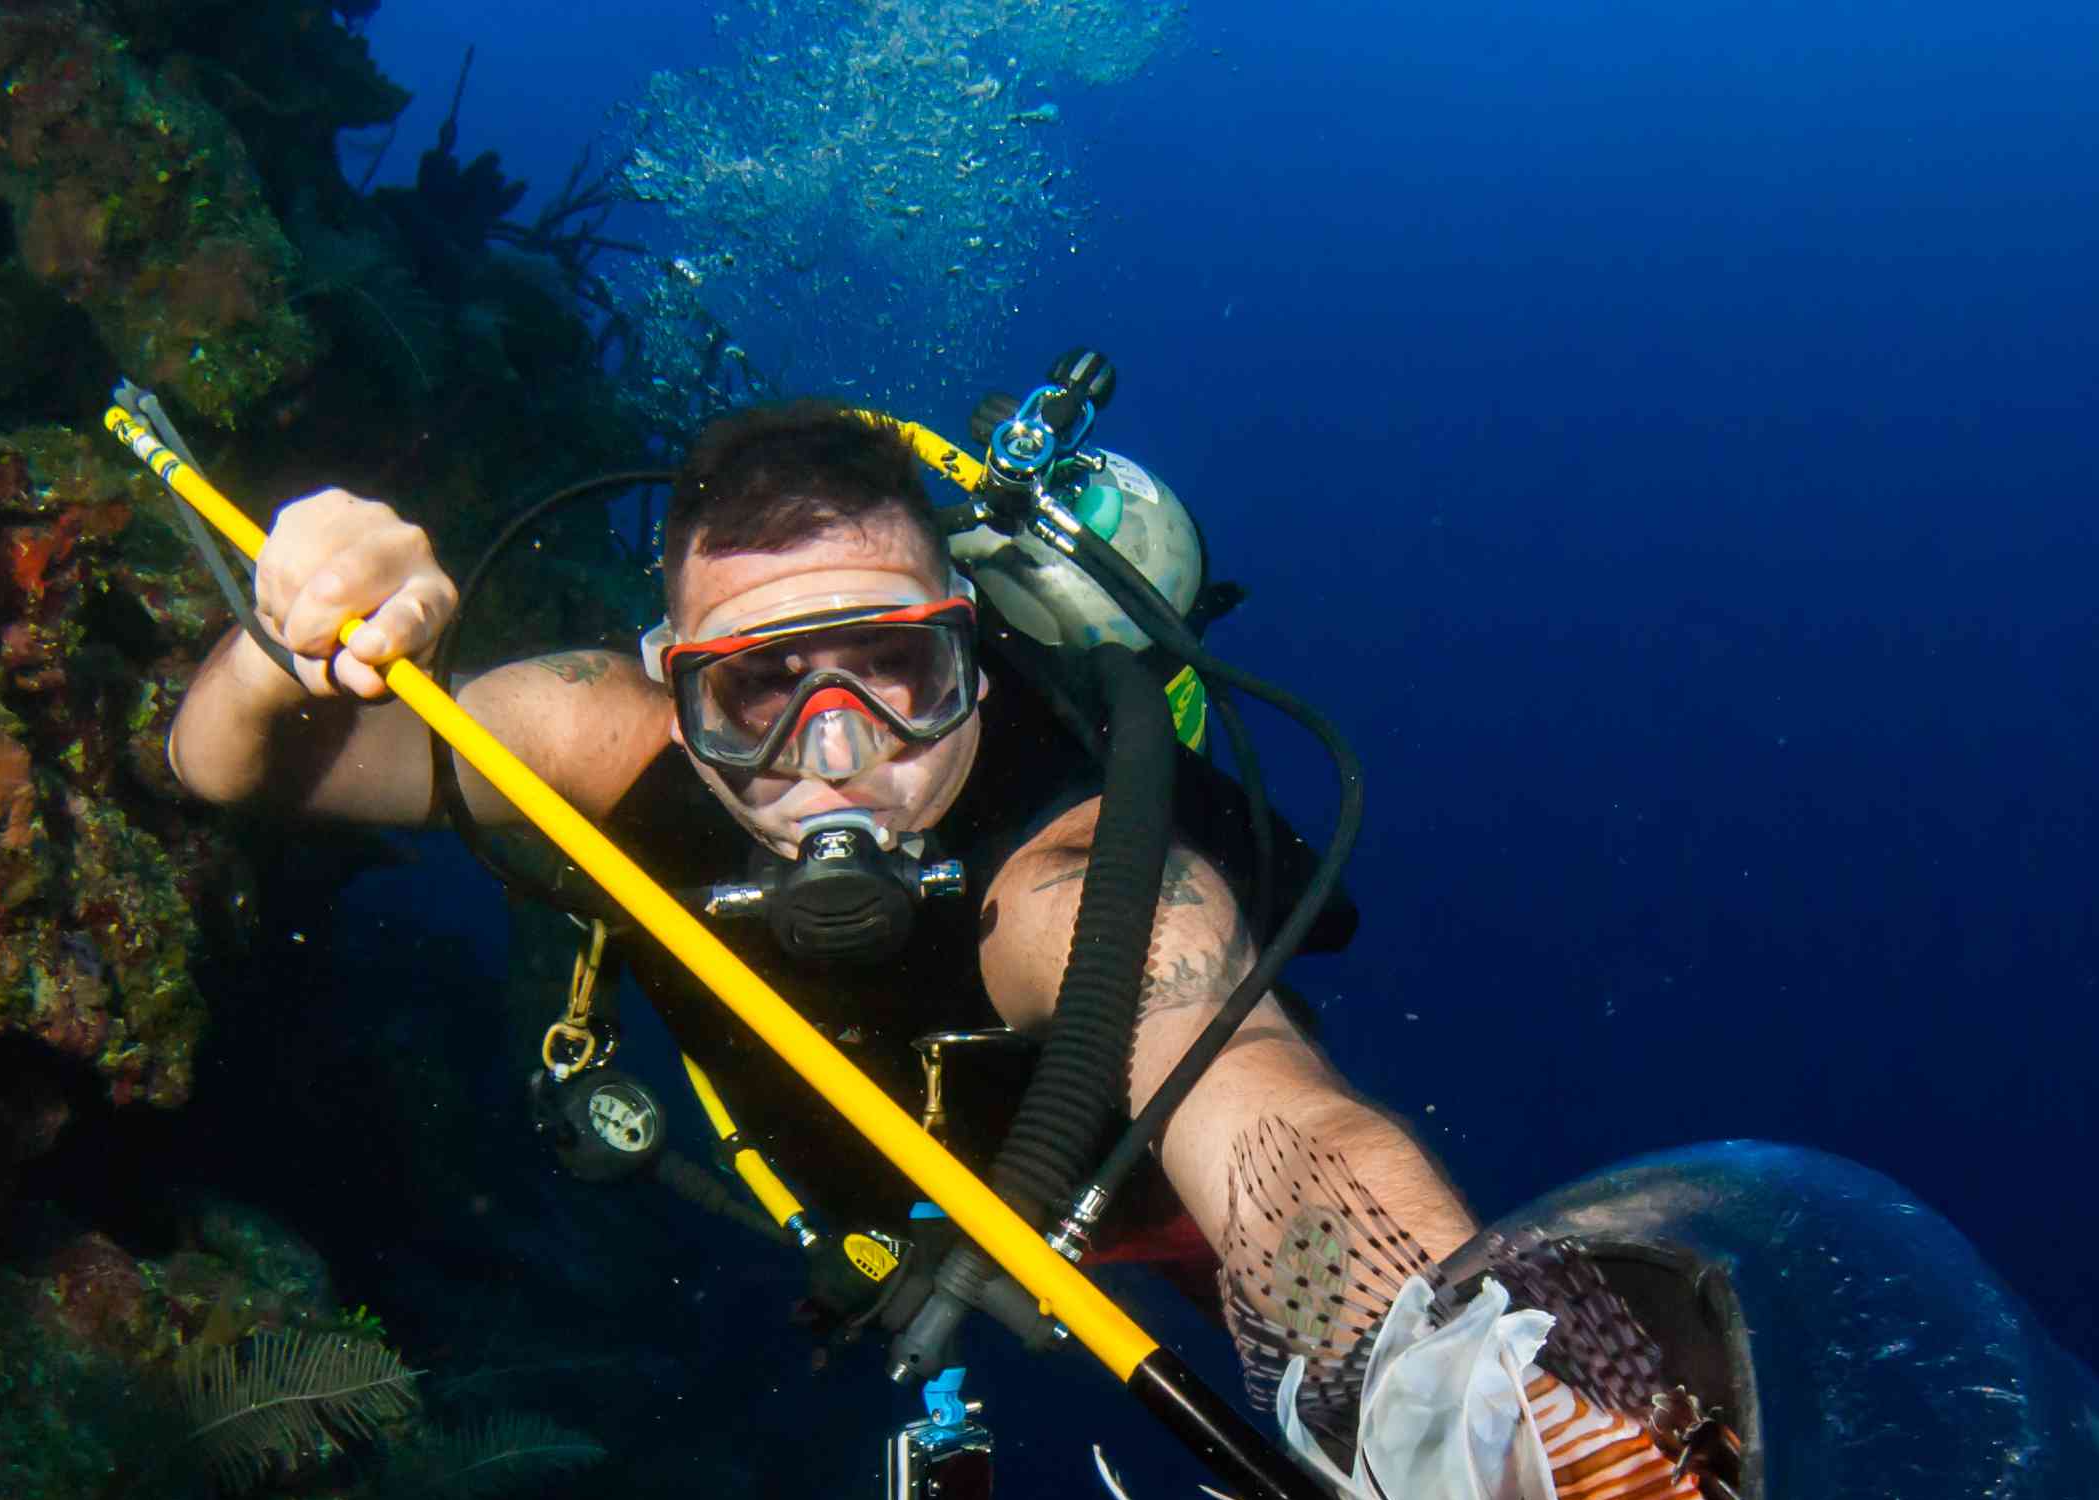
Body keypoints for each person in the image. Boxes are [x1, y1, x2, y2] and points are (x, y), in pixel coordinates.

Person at [164, 401, 1472, 1388]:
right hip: (888, 1238)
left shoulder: (1087, 880)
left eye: (896, 668)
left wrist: (1449, 1386)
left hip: (1152, 1214)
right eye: (757, 688)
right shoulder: (591, 735)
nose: (837, 753)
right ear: (669, 683)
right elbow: (229, 763)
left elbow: (1281, 1137)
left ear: (970, 643)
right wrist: (291, 642)